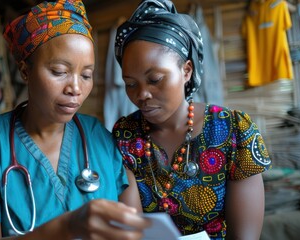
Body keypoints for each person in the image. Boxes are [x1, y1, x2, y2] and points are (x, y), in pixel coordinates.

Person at [0, 0, 150, 239]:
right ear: (25, 71)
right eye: (59, 72)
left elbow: (133, 227)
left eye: (86, 75)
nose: (75, 88)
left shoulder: (98, 137)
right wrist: (66, 227)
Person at [112, 0, 272, 239]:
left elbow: (244, 236)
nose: (142, 95)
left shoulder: (233, 131)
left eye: (155, 79)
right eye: (131, 84)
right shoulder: (126, 135)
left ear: (186, 71)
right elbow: (132, 230)